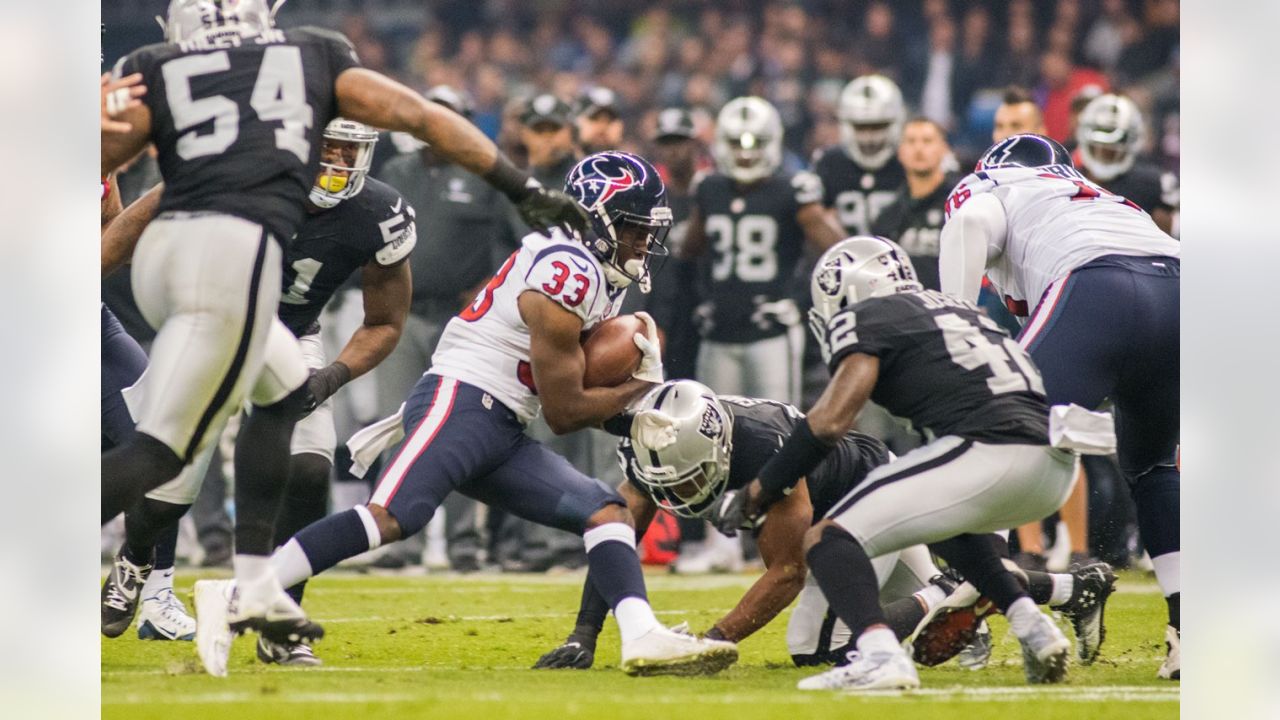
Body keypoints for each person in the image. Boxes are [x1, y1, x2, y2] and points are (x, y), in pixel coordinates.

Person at [100, 0, 585, 676]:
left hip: (229, 293)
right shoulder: (309, 58)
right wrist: (519, 184)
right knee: (164, 460)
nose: (332, 161)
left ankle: (262, 593)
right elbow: (421, 115)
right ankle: (90, 556)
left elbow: (99, 153)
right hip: (216, 270)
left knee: (293, 429)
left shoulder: (157, 67)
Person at [256, 151, 739, 676]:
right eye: (634, 227)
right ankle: (247, 591)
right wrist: (636, 390)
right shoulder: (566, 272)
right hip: (460, 399)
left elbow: (567, 401)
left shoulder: (593, 272)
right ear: (598, 217)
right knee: (393, 516)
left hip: (503, 421)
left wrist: (635, 413)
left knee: (607, 512)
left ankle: (642, 635)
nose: (644, 242)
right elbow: (564, 411)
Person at [100, 119, 416, 666]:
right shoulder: (239, 169)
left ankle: (279, 621)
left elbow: (385, 322)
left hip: (293, 337)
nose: (340, 160)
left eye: (350, 148)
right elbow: (137, 218)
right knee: (167, 486)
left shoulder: (378, 213)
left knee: (311, 468)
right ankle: (136, 554)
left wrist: (331, 377)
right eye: (328, 145)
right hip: (207, 327)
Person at [533, 381, 1114, 670]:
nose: (678, 495)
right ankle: (1072, 588)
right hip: (840, 521)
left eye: (687, 481)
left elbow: (788, 571)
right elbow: (616, 534)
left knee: (819, 648)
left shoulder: (762, 448)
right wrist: (585, 633)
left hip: (868, 506)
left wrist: (713, 640)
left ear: (717, 449)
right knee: (912, 623)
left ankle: (943, 591)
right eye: (667, 486)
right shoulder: (658, 441)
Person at [713, 236, 1080, 691]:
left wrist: (759, 490)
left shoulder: (870, 315)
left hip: (991, 450)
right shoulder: (957, 308)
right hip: (1054, 463)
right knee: (950, 526)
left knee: (828, 539)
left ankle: (881, 656)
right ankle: (1033, 627)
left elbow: (829, 423)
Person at [938, 133, 1181, 680]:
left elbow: (971, 223)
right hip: (1183, 291)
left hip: (1099, 287)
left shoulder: (991, 186)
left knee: (990, 429)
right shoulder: (1093, 194)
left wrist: (955, 333)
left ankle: (969, 588)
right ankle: (1189, 629)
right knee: (1153, 465)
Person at [372, 86, 509, 572]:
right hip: (402, 315)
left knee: (459, 426)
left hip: (462, 320)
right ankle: (397, 536)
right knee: (396, 424)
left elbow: (508, 241)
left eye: (450, 117)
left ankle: (463, 540)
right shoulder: (395, 172)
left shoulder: (481, 176)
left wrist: (489, 285)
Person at [682, 96, 843, 405]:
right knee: (715, 426)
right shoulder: (709, 189)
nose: (745, 152)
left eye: (756, 142)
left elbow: (839, 251)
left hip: (771, 328)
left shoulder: (792, 190)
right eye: (736, 142)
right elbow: (687, 253)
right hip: (719, 329)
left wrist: (801, 301)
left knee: (777, 424)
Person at [871, 117, 961, 291]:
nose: (919, 148)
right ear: (900, 151)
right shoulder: (888, 217)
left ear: (944, 149)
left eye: (927, 141)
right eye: (911, 141)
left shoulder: (962, 203)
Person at [812, 75, 907, 237]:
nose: (869, 138)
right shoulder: (829, 163)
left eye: (878, 126)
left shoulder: (909, 162)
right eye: (861, 127)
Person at [1076, 93, 1179, 235]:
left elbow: (1167, 241)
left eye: (1112, 150)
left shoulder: (1152, 183)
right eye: (1099, 147)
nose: (1105, 153)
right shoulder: (1071, 178)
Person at [575, 86, 625, 155]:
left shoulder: (634, 165)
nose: (602, 127)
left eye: (610, 121)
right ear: (577, 123)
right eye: (594, 119)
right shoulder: (560, 165)